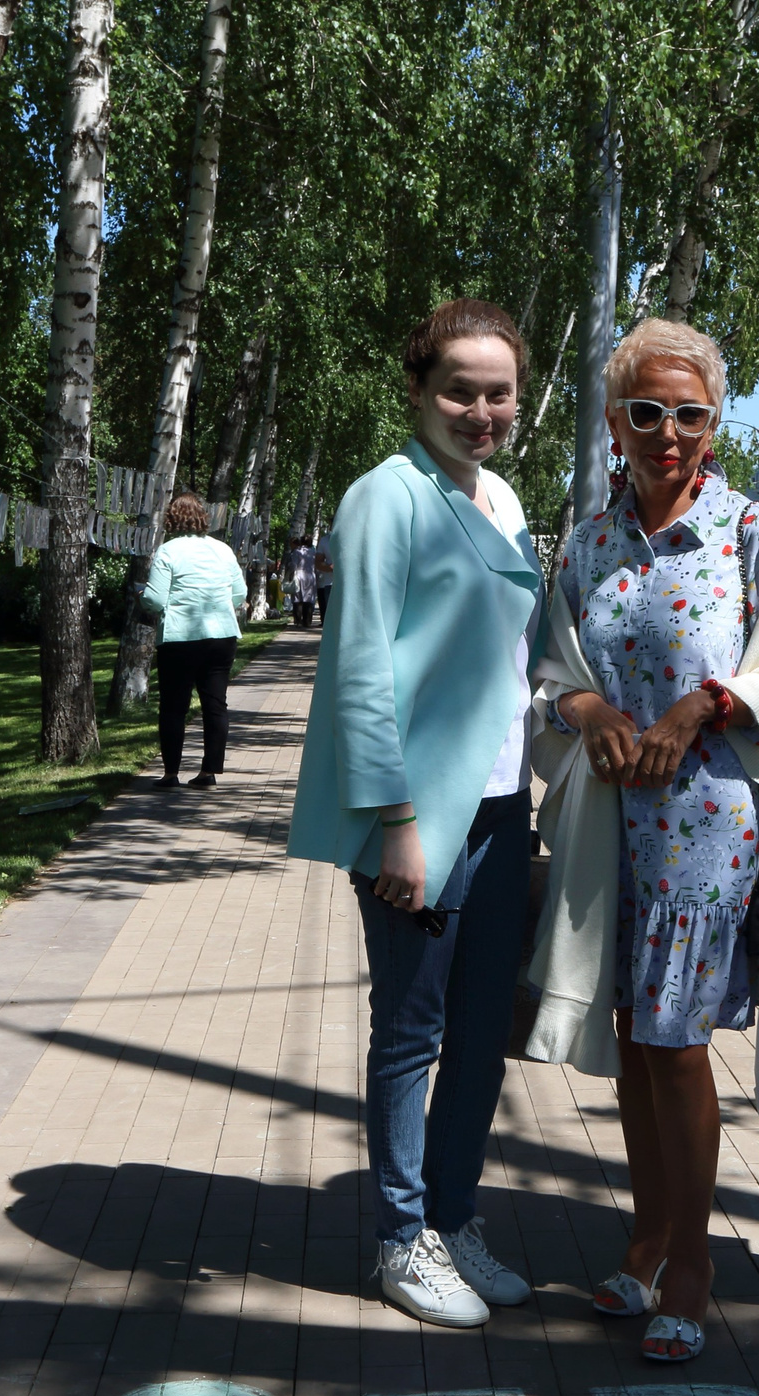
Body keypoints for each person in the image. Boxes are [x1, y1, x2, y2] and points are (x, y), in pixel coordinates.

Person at [525, 319, 759, 1363]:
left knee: (676, 1041)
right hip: (606, 824)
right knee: (633, 1045)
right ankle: (647, 1237)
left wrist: (702, 707)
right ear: (614, 422)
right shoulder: (586, 540)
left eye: (688, 414)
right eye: (645, 412)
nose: (666, 433)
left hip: (704, 826)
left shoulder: (753, 533)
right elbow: (547, 668)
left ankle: (693, 1264)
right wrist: (586, 714)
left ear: (713, 424)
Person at [286, 300, 544, 1328]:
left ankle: (454, 1218)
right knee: (410, 1031)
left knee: (484, 1033)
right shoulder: (383, 498)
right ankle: (401, 1238)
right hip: (418, 813)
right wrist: (395, 822)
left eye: (498, 393)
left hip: (498, 803)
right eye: (459, 391)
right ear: (418, 391)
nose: (479, 411)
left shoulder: (503, 496)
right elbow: (358, 678)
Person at [140, 492, 250, 789]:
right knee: (215, 704)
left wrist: (143, 598)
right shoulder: (223, 550)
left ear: (172, 519)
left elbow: (155, 598)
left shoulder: (168, 551)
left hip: (180, 637)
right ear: (204, 517)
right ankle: (208, 772)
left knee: (174, 707)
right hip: (221, 636)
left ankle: (170, 773)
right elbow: (240, 594)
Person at [284, 535, 320, 628]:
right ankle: (307, 621)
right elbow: (317, 565)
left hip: (299, 576)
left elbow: (293, 565)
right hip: (310, 576)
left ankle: (298, 620)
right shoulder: (314, 552)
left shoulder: (297, 552)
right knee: (309, 599)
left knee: (297, 599)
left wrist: (290, 574)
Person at [312, 530, 337, 626]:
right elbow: (318, 562)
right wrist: (329, 568)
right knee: (330, 619)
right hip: (330, 583)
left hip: (349, 583)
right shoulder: (325, 540)